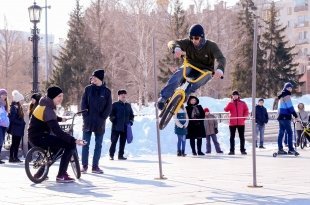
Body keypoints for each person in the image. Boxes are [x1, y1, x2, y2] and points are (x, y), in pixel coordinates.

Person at [157, 24, 225, 110]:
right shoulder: (188, 43)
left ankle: (185, 94)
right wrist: (176, 48)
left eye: (196, 38)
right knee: (178, 75)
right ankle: (164, 98)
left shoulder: (211, 46)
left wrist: (220, 69)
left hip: (205, 70)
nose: (194, 40)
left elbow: (221, 58)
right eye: (191, 38)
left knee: (203, 78)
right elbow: (171, 42)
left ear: (202, 37)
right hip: (190, 65)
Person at [28, 86, 86, 183]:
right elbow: (57, 131)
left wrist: (61, 119)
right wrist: (74, 140)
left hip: (35, 136)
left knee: (55, 151)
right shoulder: (48, 109)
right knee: (69, 144)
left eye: (62, 96)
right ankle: (61, 175)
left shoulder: (44, 104)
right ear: (52, 97)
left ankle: (40, 173)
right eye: (59, 96)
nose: (61, 98)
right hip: (40, 137)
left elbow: (48, 117)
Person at [81, 69, 112, 173]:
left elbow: (108, 107)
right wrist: (85, 116)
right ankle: (84, 166)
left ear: (99, 79)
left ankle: (95, 167)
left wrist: (102, 118)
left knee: (98, 145)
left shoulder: (107, 92)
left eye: (94, 77)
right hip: (88, 121)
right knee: (85, 144)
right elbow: (83, 103)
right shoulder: (88, 89)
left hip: (100, 122)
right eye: (92, 77)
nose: (92, 79)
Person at [109, 89, 134, 160]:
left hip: (125, 127)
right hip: (116, 127)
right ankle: (111, 155)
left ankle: (120, 155)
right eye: (122, 94)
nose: (123, 96)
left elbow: (131, 115)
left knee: (122, 143)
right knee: (114, 142)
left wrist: (131, 122)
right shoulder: (115, 105)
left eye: (124, 94)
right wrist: (114, 120)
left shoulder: (128, 105)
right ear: (119, 96)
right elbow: (111, 114)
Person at [224, 90, 249, 155]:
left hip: (241, 123)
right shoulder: (230, 103)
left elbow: (246, 111)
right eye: (233, 95)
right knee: (232, 137)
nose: (235, 96)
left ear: (238, 96)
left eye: (236, 95)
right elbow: (226, 109)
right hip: (232, 123)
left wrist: (244, 118)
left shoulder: (242, 103)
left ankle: (242, 150)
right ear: (232, 96)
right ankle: (232, 151)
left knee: (242, 137)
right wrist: (230, 103)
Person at [277, 82, 299, 155]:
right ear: (285, 88)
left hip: (281, 117)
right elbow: (290, 107)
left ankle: (280, 149)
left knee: (281, 133)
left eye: (291, 88)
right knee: (290, 133)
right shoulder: (286, 95)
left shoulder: (281, 96)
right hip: (285, 117)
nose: (290, 89)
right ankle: (291, 149)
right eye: (288, 87)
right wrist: (295, 115)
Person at [8, 90, 26, 163]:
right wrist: (21, 122)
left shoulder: (17, 107)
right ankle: (12, 157)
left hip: (18, 128)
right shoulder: (14, 107)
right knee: (14, 143)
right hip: (16, 128)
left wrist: (22, 122)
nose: (22, 101)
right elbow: (12, 119)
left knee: (16, 143)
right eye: (21, 100)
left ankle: (15, 157)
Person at [0, 89, 9, 164]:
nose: (5, 96)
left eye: (5, 95)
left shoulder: (6, 103)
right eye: (3, 94)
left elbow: (6, 113)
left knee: (2, 140)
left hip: (4, 124)